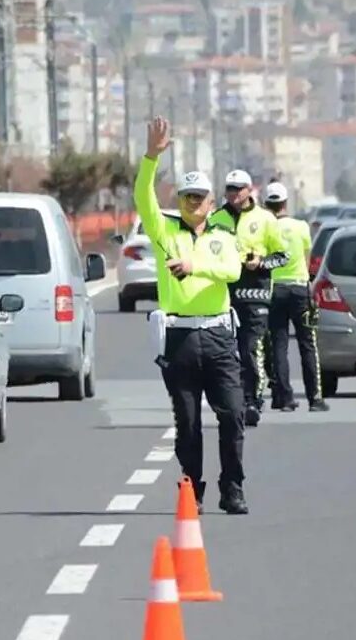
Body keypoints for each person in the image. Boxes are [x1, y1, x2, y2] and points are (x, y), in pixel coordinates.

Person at [133, 116, 248, 515]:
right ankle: (191, 489)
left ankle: (232, 487)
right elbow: (142, 197)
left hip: (218, 336)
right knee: (188, 422)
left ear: (212, 203)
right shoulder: (165, 232)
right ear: (178, 200)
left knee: (232, 414)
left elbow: (233, 272)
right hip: (179, 339)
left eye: (200, 197)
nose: (194, 203)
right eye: (187, 197)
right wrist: (151, 156)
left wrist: (195, 267)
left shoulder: (222, 238)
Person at [209, 170, 289, 428]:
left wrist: (261, 262)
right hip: (224, 295)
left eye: (238, 188)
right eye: (229, 188)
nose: (233, 193)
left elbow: (283, 256)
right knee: (225, 353)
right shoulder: (216, 218)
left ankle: (252, 400)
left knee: (251, 349)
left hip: (256, 295)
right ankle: (231, 401)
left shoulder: (265, 219)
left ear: (249, 190)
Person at [263, 181, 330, 413]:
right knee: (307, 343)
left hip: (274, 290)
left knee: (278, 344)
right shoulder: (301, 227)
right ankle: (315, 397)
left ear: (266, 204)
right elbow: (306, 256)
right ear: (285, 203)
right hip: (300, 289)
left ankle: (284, 397)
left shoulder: (265, 228)